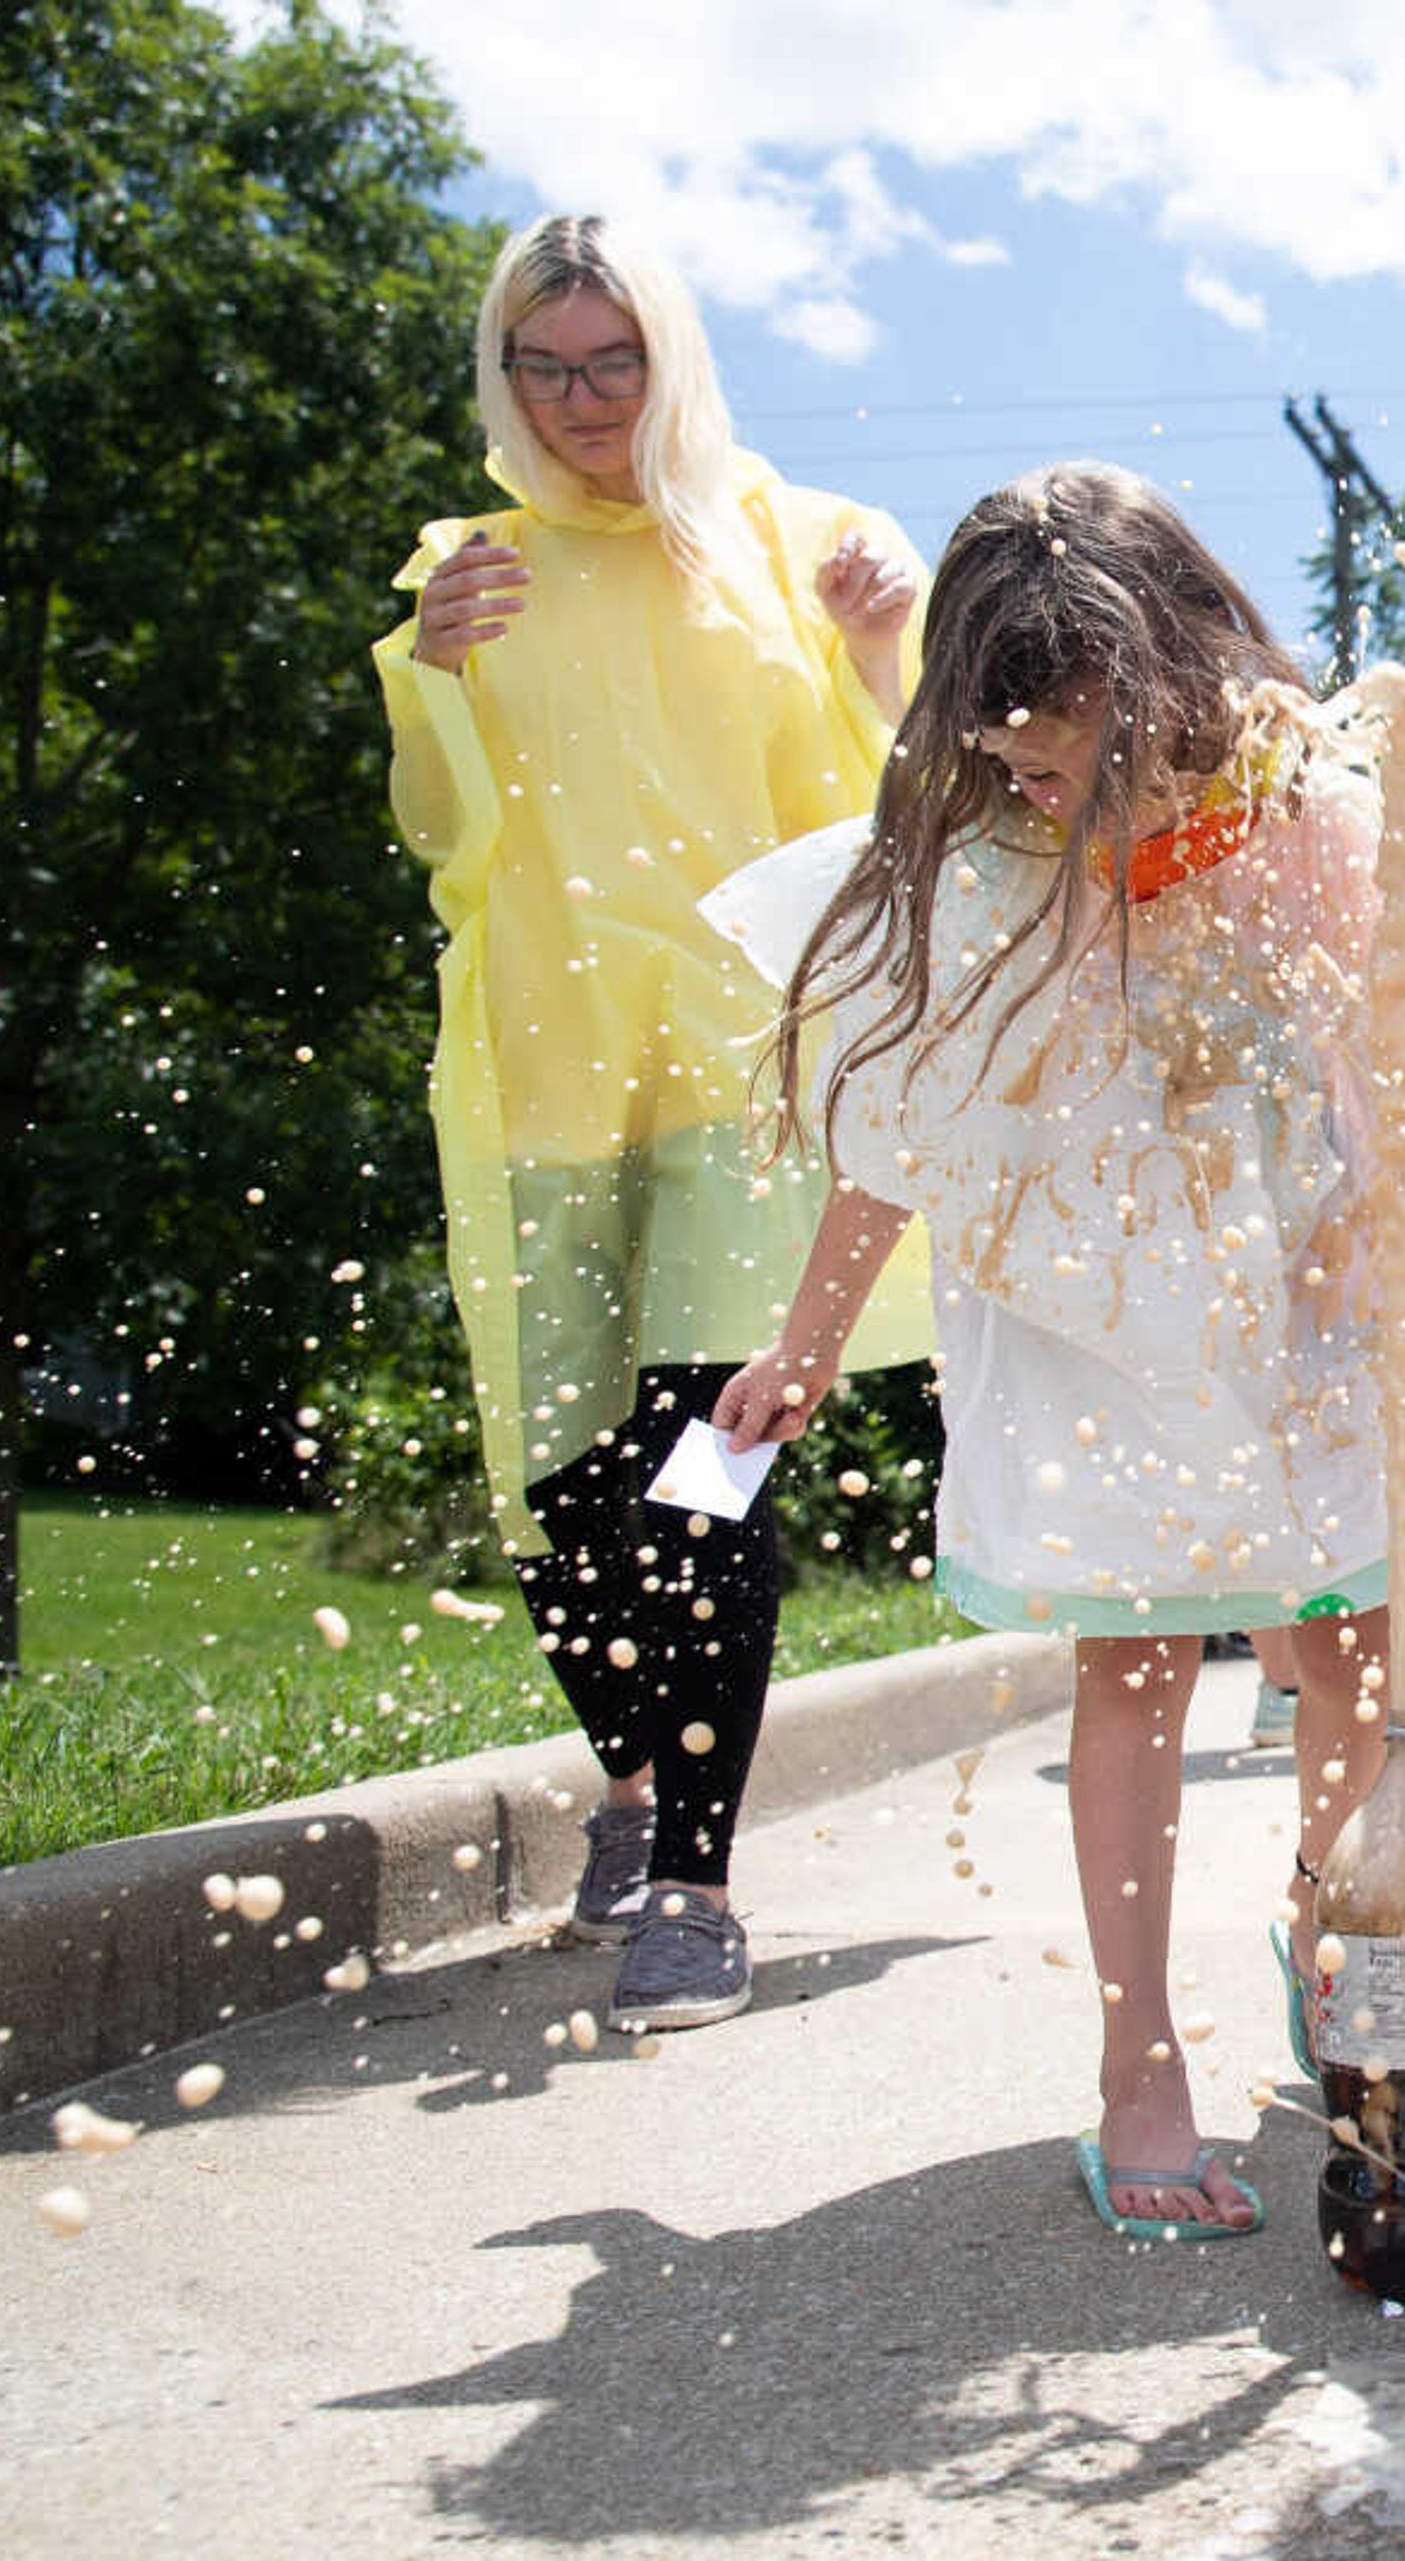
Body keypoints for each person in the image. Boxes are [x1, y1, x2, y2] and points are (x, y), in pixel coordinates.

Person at [705, 463, 1405, 2237]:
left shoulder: (1298, 803)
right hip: (1093, 1300)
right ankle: (1139, 2063)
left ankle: (1338, 1925)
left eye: (1066, 745)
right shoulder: (983, 862)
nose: (1033, 779)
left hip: (1294, 1277)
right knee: (1142, 1661)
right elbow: (901, 1117)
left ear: (1170, 683)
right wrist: (801, 1341)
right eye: (1003, 749)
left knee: (1334, 1635)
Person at [370, 216, 935, 2036]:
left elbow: (892, 798)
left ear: (674, 362)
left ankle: (692, 1881)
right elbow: (442, 838)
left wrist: (883, 648)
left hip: (737, 1075)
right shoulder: (471, 569)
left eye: (617, 361)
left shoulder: (790, 546)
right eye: (549, 366)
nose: (586, 400)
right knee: (568, 1495)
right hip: (547, 1068)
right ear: (504, 377)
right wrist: (431, 674)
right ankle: (629, 1783)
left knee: (708, 1471)